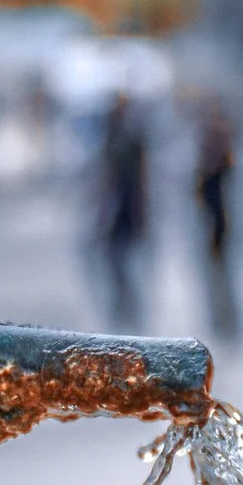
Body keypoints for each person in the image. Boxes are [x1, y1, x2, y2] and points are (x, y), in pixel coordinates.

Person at [93, 92, 150, 332]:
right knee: (115, 263)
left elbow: (140, 180)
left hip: (126, 211)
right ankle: (123, 307)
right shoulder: (111, 140)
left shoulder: (131, 142)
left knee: (122, 263)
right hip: (117, 213)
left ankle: (128, 308)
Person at [194, 95, 243, 339]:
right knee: (218, 277)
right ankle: (223, 321)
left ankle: (227, 322)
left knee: (222, 276)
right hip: (215, 224)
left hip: (219, 225)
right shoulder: (216, 160)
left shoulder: (219, 164)